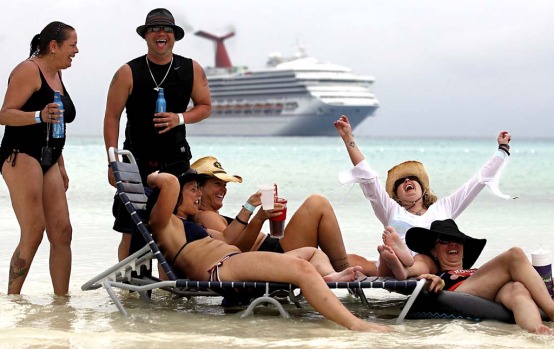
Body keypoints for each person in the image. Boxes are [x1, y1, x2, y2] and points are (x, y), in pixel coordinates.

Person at [145, 168, 392, 332]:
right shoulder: (163, 223)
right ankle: (357, 325)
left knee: (309, 252)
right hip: (222, 268)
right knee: (301, 268)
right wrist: (151, 177)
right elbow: (169, 182)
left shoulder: (190, 226)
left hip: (233, 260)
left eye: (199, 189)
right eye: (193, 190)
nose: (198, 195)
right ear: (170, 199)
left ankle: (327, 278)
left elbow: (228, 239)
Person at [334, 114, 513, 279]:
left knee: (423, 260)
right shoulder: (391, 210)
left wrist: (502, 150)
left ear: (423, 189)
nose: (407, 180)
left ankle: (403, 263)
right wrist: (348, 138)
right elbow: (369, 179)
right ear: (396, 196)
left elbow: (477, 182)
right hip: (390, 264)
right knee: (345, 259)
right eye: (401, 182)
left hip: (428, 264)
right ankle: (321, 270)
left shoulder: (444, 208)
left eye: (412, 179)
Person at [103, 8, 211, 261]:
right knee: (130, 229)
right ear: (146, 36)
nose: (161, 33)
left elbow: (205, 107)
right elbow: (111, 117)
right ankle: (130, 290)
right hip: (135, 160)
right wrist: (112, 160)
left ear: (174, 36)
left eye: (167, 30)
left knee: (175, 227)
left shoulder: (190, 68)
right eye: (154, 29)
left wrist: (180, 118)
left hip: (175, 158)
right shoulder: (128, 71)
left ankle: (171, 293)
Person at [0, 21, 78, 295]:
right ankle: (12, 300)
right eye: (72, 45)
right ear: (53, 46)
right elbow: (4, 114)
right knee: (34, 229)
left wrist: (60, 164)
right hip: (20, 154)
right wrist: (38, 115)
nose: (76, 51)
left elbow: (55, 125)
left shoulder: (56, 72)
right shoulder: (27, 70)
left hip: (50, 158)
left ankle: (62, 303)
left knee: (62, 231)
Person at [190, 155, 362, 272]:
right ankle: (346, 277)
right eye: (217, 184)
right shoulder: (205, 216)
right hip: (272, 254)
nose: (223, 189)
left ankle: (355, 270)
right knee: (317, 203)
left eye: (224, 184)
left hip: (273, 249)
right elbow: (234, 251)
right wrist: (255, 214)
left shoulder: (210, 215)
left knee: (359, 262)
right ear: (200, 189)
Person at [405, 219, 554, 335]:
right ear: (434, 252)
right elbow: (416, 276)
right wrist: (432, 281)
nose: (452, 245)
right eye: (444, 241)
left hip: (492, 293)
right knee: (515, 254)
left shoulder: (478, 272)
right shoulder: (439, 274)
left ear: (463, 250)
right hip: (459, 293)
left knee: (517, 288)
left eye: (458, 240)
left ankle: (537, 332)